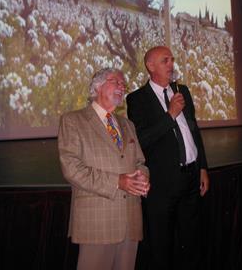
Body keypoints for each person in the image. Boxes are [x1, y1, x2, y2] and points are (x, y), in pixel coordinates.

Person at [58, 68, 150, 270]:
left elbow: (140, 162)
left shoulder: (127, 124)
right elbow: (72, 169)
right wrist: (117, 182)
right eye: (116, 82)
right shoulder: (73, 120)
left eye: (123, 84)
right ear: (97, 86)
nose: (121, 87)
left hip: (130, 221)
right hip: (97, 222)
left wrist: (143, 177)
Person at [126, 46, 209, 270]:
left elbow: (193, 131)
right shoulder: (137, 99)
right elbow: (143, 138)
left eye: (172, 60)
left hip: (191, 176)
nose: (171, 64)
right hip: (162, 183)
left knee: (192, 241)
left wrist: (202, 168)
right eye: (165, 60)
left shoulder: (183, 91)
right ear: (150, 66)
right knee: (161, 245)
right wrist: (170, 114)